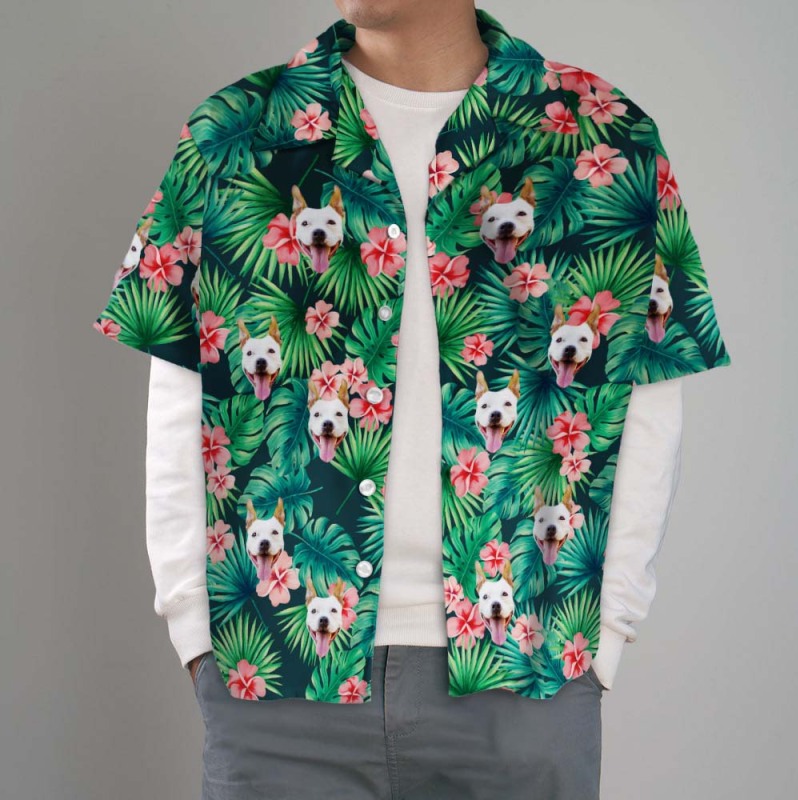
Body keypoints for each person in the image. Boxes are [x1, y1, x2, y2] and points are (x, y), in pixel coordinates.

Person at [93, 2, 732, 798]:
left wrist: (607, 637)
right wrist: (193, 627)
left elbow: (650, 398)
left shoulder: (603, 137)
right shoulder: (235, 134)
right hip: (279, 680)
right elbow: (178, 398)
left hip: (525, 681)